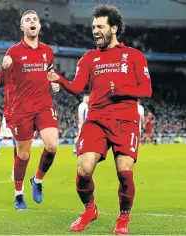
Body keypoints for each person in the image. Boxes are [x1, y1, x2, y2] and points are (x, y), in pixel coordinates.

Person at [47, 4, 152, 234]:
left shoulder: (134, 56)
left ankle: (123, 217)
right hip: (96, 119)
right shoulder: (89, 58)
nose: (95, 30)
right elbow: (76, 86)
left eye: (100, 26)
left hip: (125, 121)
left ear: (113, 28)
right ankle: (89, 209)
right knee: (84, 169)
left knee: (125, 173)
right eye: (93, 26)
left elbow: (146, 90)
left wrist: (121, 89)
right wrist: (59, 79)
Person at [0, 10, 60, 210]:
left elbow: (49, 72)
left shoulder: (47, 51)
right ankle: (18, 193)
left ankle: (38, 180)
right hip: (21, 109)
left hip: (43, 105)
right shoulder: (13, 52)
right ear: (22, 27)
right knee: (23, 155)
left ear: (39, 26)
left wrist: (55, 81)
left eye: (35, 19)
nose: (32, 22)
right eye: (27, 20)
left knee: (52, 145)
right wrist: (4, 67)